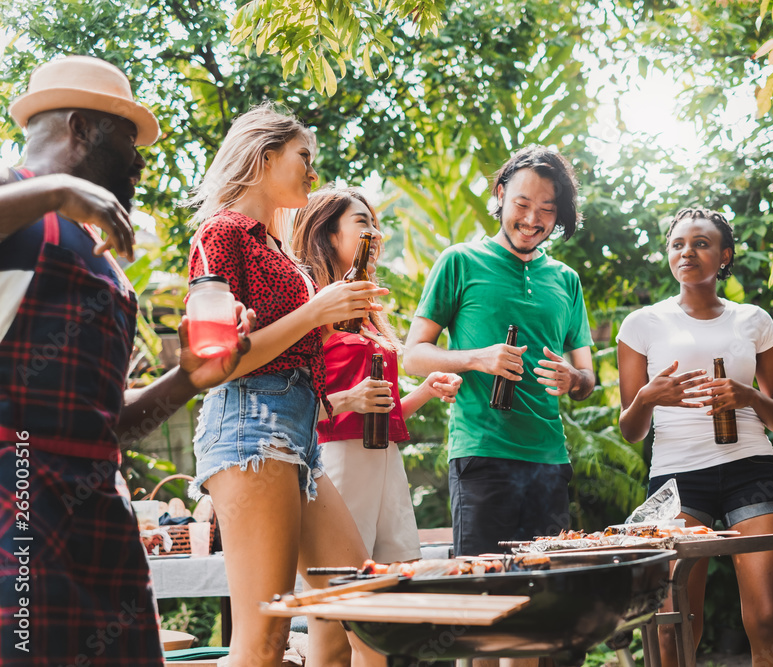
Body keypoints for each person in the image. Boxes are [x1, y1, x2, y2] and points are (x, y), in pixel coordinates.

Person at [0, 56, 252, 666]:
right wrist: (54, 191)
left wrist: (189, 378)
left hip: (98, 511)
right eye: (128, 140)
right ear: (82, 128)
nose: (140, 160)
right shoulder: (14, 197)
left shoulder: (97, 255)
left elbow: (111, 423)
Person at [184, 106, 387, 667]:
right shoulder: (221, 232)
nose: (313, 174)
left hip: (297, 438)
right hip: (251, 429)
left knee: (363, 610)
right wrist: (315, 310)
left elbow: (292, 341)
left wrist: (333, 312)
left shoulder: (278, 250)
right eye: (304, 158)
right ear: (264, 157)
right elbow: (216, 361)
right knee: (264, 640)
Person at [617, 207, 773, 667]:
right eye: (678, 244)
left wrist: (748, 397)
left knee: (769, 617)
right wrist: (648, 398)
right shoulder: (642, 325)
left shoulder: (753, 320)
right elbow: (631, 431)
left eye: (701, 243)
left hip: (751, 469)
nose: (687, 252)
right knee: (676, 619)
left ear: (725, 255)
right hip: (677, 478)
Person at [403, 145, 596, 557]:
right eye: (522, 204)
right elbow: (414, 355)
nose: (531, 219)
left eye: (546, 209)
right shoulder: (461, 262)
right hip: (482, 457)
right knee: (483, 593)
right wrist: (476, 358)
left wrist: (573, 378)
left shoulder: (566, 280)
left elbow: (588, 378)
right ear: (501, 194)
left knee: (548, 596)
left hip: (550, 460)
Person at [291, 185, 462, 562]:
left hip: (385, 459)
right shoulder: (310, 309)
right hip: (336, 461)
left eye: (376, 224)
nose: (376, 234)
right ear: (329, 234)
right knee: (343, 581)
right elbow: (288, 406)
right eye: (362, 222)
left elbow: (381, 406)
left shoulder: (368, 317)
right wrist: (350, 399)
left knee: (398, 576)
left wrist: (425, 391)